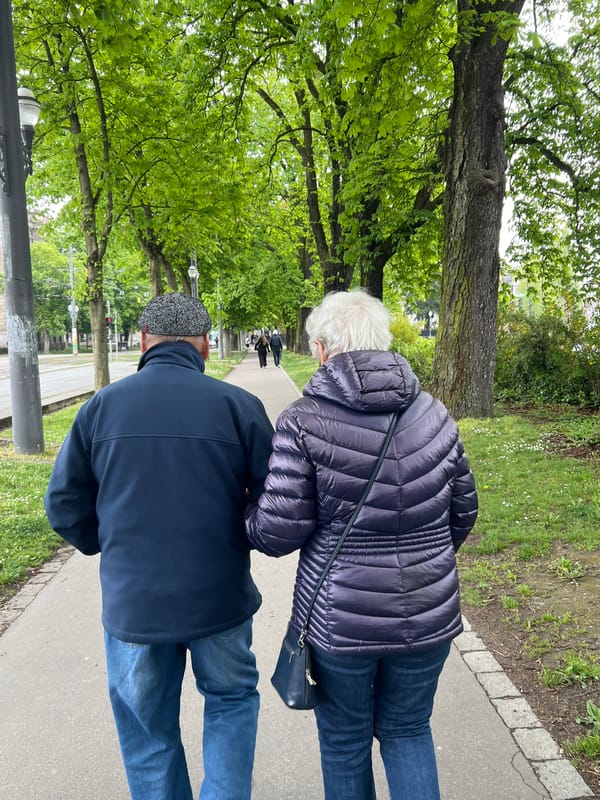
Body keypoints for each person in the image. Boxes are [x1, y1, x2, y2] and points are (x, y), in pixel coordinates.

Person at [245, 289, 478, 800]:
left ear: (323, 349)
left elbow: (279, 531)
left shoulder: (304, 420)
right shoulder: (435, 414)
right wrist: (426, 562)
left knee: (345, 742)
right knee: (409, 730)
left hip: (340, 620)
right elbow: (463, 511)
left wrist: (247, 519)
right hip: (429, 611)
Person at [44, 292, 274, 800]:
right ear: (206, 346)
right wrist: (240, 538)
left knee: (146, 726)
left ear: (145, 340)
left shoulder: (101, 408)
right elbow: (273, 503)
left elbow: (63, 504)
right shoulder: (240, 407)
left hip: (135, 602)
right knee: (232, 699)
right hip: (220, 596)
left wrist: (108, 544)